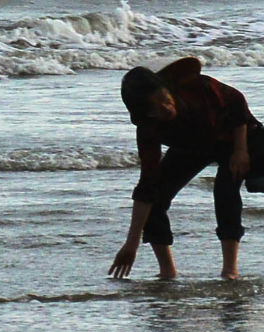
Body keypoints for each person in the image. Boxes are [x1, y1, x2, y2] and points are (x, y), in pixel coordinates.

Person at [108, 57, 254, 282]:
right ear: (145, 114)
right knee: (154, 199)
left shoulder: (197, 86)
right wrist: (131, 244)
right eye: (155, 109)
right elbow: (147, 183)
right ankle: (167, 272)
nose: (166, 109)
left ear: (167, 89)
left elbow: (237, 102)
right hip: (191, 145)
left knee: (225, 191)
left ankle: (229, 270)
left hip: (229, 137)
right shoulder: (148, 128)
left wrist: (241, 150)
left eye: (164, 99)